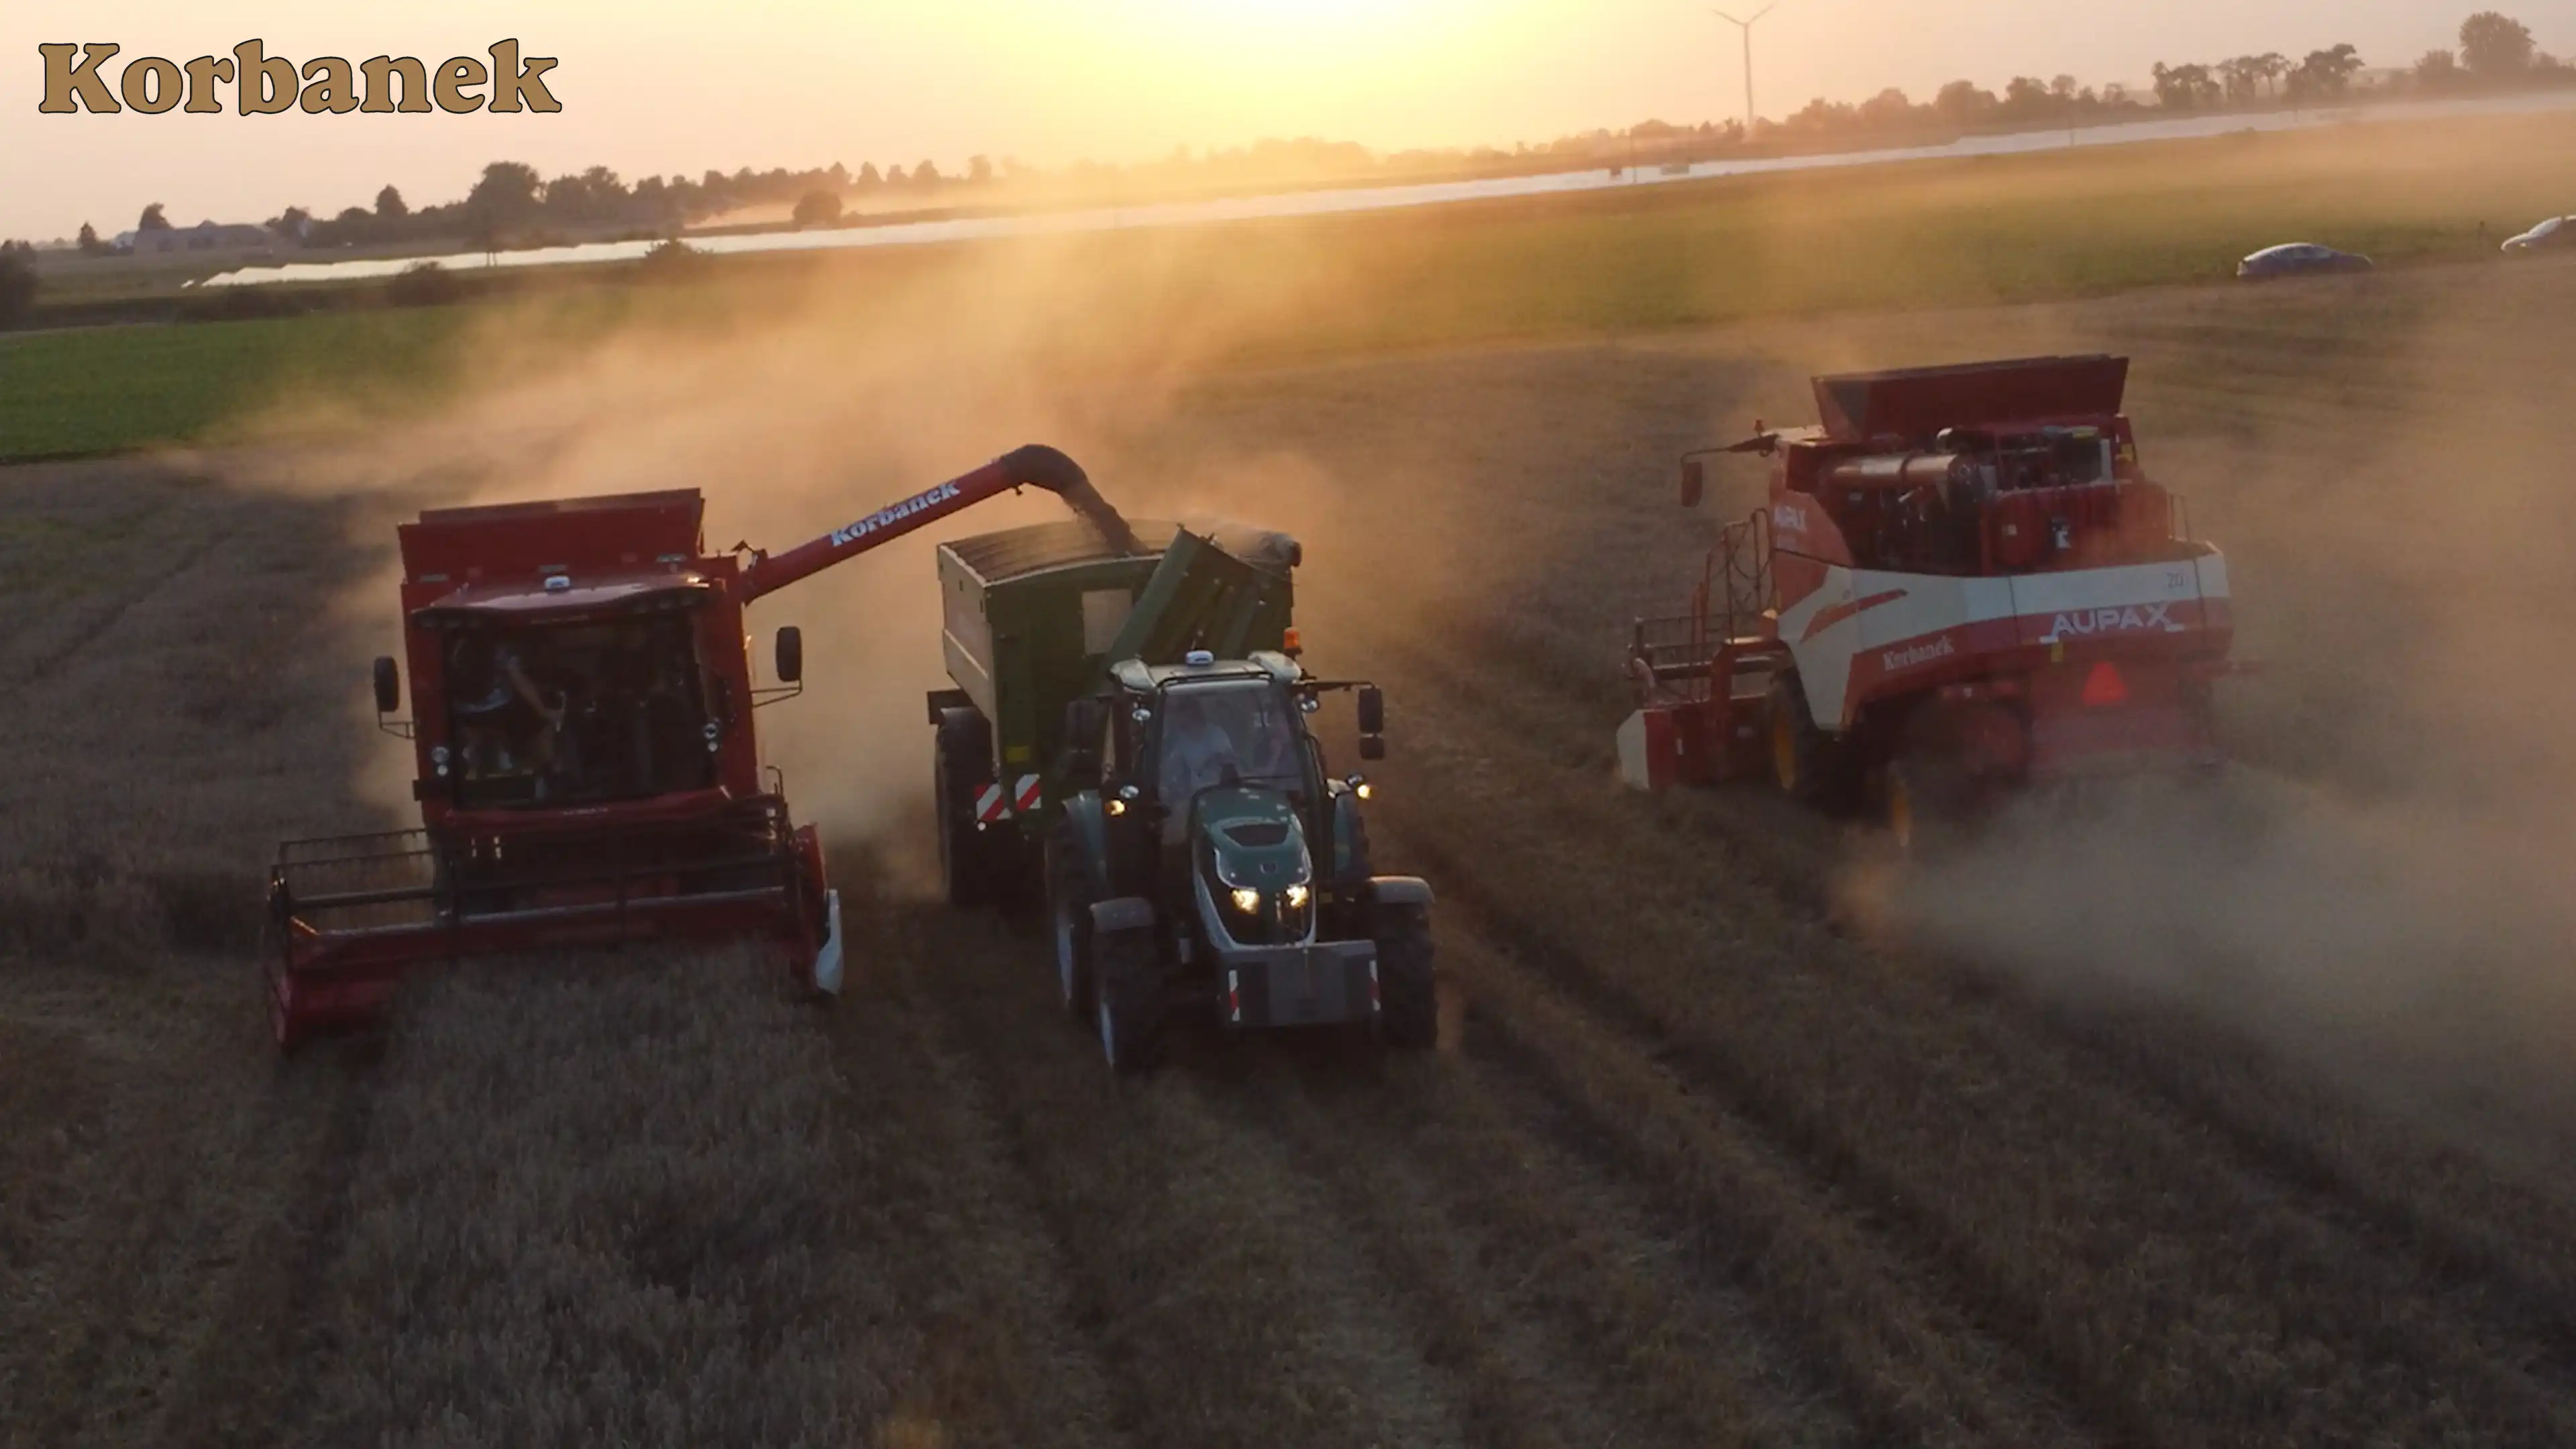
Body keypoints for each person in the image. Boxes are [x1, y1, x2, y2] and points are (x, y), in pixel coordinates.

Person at [1157, 691, 1242, 804]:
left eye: (1181, 713)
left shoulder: (1216, 734)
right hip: (1195, 795)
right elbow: (1172, 763)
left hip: (1219, 793)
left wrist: (1213, 760)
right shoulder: (1183, 740)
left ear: (1192, 714)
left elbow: (1231, 760)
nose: (1177, 719)